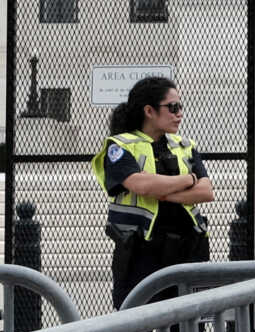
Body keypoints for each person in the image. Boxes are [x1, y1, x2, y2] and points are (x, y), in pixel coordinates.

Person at [92, 75, 216, 313]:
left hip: (188, 252)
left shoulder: (184, 145)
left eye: (180, 106)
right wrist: (188, 179)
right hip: (141, 256)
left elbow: (206, 191)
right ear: (149, 111)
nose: (179, 113)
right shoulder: (120, 146)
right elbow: (141, 185)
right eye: (173, 107)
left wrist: (165, 192)